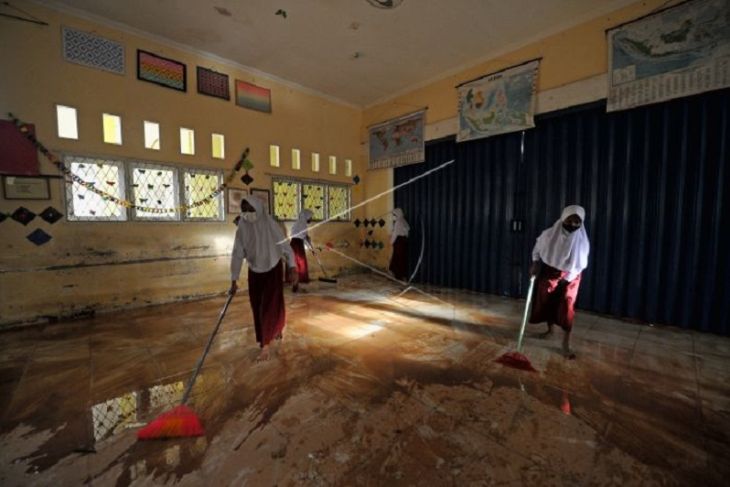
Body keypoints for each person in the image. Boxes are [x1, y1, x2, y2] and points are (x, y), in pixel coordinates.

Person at [229, 196, 298, 362]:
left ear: (258, 208)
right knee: (257, 306)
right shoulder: (243, 227)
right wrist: (234, 278)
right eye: (244, 210)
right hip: (254, 270)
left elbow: (285, 247)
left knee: (270, 305)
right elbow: (237, 253)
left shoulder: (270, 224)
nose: (247, 214)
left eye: (250, 209)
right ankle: (274, 330)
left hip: (273, 268)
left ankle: (265, 345)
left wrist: (292, 266)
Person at [529, 205, 590, 359]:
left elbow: (580, 264)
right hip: (550, 272)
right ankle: (550, 331)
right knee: (546, 301)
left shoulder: (581, 241)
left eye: (578, 222)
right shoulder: (549, 234)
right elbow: (538, 247)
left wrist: (567, 279)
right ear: (563, 218)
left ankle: (566, 343)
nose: (573, 225)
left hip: (572, 275)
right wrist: (535, 263)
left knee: (566, 306)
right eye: (570, 220)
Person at [288, 209, 313, 292]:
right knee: (300, 264)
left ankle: (295, 284)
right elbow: (303, 237)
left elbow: (303, 236)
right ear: (306, 216)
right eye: (310, 217)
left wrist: (307, 240)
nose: (311, 219)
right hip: (298, 245)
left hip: (293, 244)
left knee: (294, 264)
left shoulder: (298, 223)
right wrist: (310, 246)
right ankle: (296, 285)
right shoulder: (302, 225)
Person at [389, 208, 410, 280]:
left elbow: (395, 233)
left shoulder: (398, 222)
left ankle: (398, 275)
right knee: (401, 258)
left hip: (399, 242)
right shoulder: (404, 221)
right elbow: (407, 232)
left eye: (394, 215)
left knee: (397, 258)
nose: (393, 216)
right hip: (403, 242)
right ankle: (402, 275)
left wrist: (391, 242)